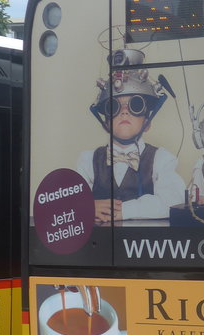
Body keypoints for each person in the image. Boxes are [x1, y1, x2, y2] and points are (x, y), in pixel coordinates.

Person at [75, 67, 185, 224]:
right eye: (114, 107)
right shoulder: (88, 160)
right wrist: (86, 207)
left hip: (142, 244)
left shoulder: (161, 159)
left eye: (135, 105)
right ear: (105, 124)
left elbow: (174, 200)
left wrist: (125, 210)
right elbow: (66, 204)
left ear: (147, 123)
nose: (124, 112)